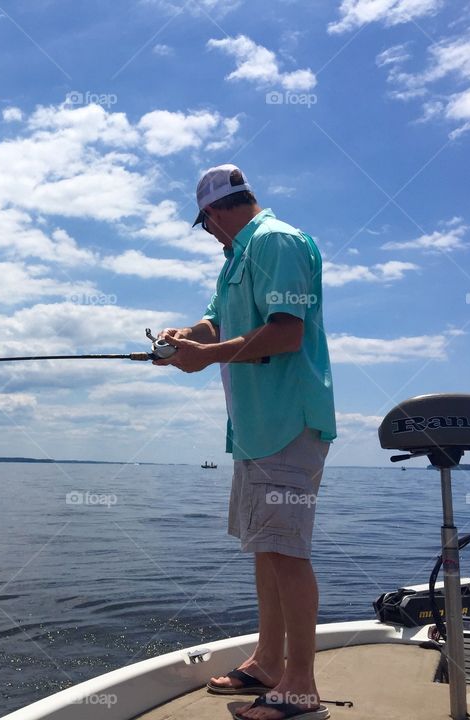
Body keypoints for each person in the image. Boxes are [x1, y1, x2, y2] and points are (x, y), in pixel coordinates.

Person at [155, 164, 337, 720]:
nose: (209, 233)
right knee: (266, 546)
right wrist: (186, 336)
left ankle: (301, 688)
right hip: (255, 427)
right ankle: (267, 662)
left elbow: (287, 332)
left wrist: (206, 356)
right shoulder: (235, 260)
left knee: (286, 550)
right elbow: (215, 322)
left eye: (206, 223)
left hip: (286, 420)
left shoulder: (276, 242)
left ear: (214, 213)